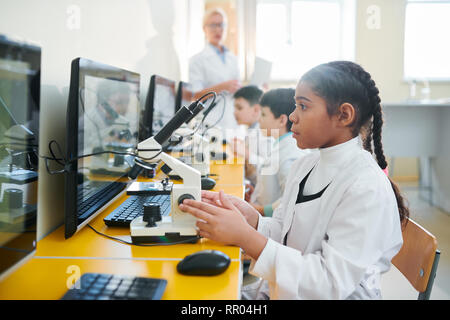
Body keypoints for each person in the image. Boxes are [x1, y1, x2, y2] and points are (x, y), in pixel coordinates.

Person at [179, 61, 409, 299]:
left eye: (303, 106)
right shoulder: (306, 165)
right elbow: (286, 232)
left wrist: (245, 237)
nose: (292, 116)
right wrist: (253, 220)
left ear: (344, 115)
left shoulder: (365, 186)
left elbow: (329, 283)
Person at [247, 88, 308, 216]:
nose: (259, 120)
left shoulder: (290, 153)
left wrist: (261, 210)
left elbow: (294, 198)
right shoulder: (281, 145)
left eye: (263, 114)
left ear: (281, 120)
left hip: (272, 225)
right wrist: (258, 191)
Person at [189, 7, 241, 132]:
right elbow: (195, 96)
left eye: (221, 25)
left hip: (231, 120)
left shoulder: (232, 58)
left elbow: (236, 91)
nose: (218, 29)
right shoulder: (197, 60)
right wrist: (222, 87)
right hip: (210, 121)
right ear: (204, 28)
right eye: (213, 25)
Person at [230, 85, 272, 187]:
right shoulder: (251, 129)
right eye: (234, 108)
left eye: (239, 108)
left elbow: (270, 169)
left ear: (256, 110)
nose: (234, 112)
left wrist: (246, 153)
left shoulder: (265, 133)